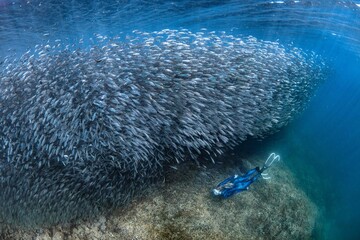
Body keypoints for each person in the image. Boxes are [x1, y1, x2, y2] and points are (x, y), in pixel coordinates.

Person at [212, 153, 280, 198]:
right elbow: (235, 192)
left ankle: (257, 170)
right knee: (251, 181)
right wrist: (244, 189)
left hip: (235, 181)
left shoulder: (219, 185)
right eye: (218, 190)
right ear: (219, 192)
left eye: (216, 188)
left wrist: (233, 177)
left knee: (246, 175)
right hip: (239, 186)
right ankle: (260, 172)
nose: (218, 188)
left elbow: (226, 180)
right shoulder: (224, 195)